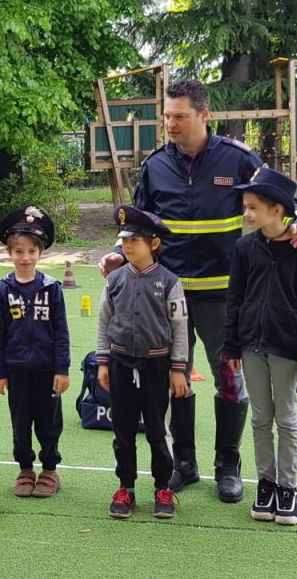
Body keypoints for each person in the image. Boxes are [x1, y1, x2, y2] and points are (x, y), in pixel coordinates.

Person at [97, 78, 297, 503]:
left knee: (230, 381)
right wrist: (117, 254)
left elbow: (278, 194)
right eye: (166, 116)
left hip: (225, 298)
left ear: (203, 115)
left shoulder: (236, 159)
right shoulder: (156, 165)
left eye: (179, 116)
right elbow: (138, 223)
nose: (170, 124)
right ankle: (184, 463)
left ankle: (227, 465)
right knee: (173, 379)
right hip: (168, 297)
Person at [224, 168, 297, 525]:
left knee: (286, 418)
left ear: (277, 209)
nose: (246, 214)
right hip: (250, 345)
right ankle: (265, 484)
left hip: (286, 347)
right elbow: (235, 299)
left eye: (253, 207)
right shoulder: (245, 248)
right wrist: (232, 346)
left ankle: (287, 488)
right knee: (260, 418)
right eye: (245, 207)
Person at [96, 206, 190, 520]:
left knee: (157, 431)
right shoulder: (114, 280)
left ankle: (163, 488)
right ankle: (126, 488)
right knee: (122, 431)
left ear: (153, 244)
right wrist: (103, 362)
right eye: (124, 239)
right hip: (121, 364)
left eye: (135, 239)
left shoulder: (169, 282)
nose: (128, 245)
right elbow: (103, 322)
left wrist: (178, 370)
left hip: (157, 368)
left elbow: (179, 327)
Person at [0, 206, 70, 498]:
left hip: (48, 371)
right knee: (21, 421)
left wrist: (62, 369)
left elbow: (61, 332)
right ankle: (25, 468)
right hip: (17, 371)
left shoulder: (52, 288)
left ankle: (49, 469)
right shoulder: (2, 290)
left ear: (41, 253)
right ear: (9, 253)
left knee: (49, 422)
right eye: (19, 251)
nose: (25, 258)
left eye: (31, 251)